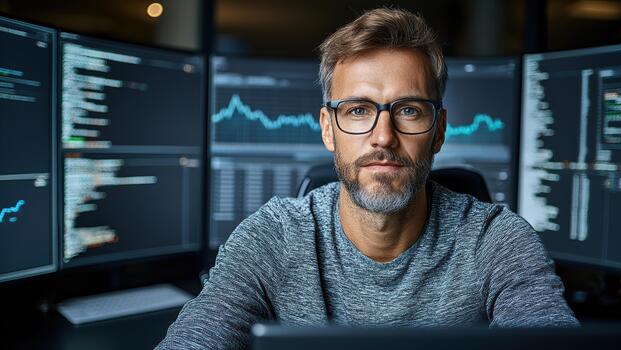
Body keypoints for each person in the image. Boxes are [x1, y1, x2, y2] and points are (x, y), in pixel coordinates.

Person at [156, 7, 578, 349]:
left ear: (440, 130)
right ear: (327, 128)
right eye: (357, 110)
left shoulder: (496, 240)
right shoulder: (272, 238)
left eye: (409, 110)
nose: (383, 137)